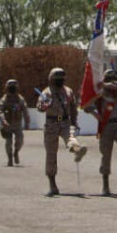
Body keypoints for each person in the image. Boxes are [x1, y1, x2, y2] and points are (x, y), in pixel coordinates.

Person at [36, 67, 87, 196]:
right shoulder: (46, 93)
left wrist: (75, 122)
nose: (59, 81)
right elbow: (40, 107)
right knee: (51, 154)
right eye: (57, 78)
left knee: (70, 136)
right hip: (51, 124)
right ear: (51, 79)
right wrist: (45, 106)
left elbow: (73, 108)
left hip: (65, 122)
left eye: (61, 78)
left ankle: (76, 149)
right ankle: (52, 185)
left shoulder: (68, 92)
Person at [0, 79, 31, 167]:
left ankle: (16, 152)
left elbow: (25, 110)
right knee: (8, 142)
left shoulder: (20, 99)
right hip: (7, 124)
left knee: (20, 141)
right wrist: (3, 120)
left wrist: (27, 122)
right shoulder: (4, 99)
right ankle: (10, 158)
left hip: (17, 124)